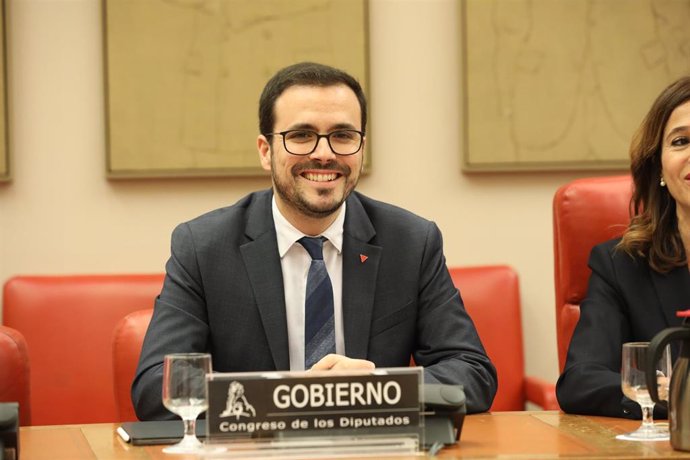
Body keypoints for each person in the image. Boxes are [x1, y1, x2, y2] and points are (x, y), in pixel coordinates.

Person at [132, 62, 497, 420]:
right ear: (265, 150)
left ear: (361, 148)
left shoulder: (411, 242)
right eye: (302, 135)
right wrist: (293, 397)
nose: (324, 153)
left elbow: (472, 373)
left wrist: (375, 387)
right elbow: (156, 388)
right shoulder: (203, 247)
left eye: (342, 135)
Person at [557, 76, 690, 418]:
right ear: (659, 166)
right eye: (681, 141)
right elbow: (580, 382)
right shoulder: (620, 264)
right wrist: (668, 395)